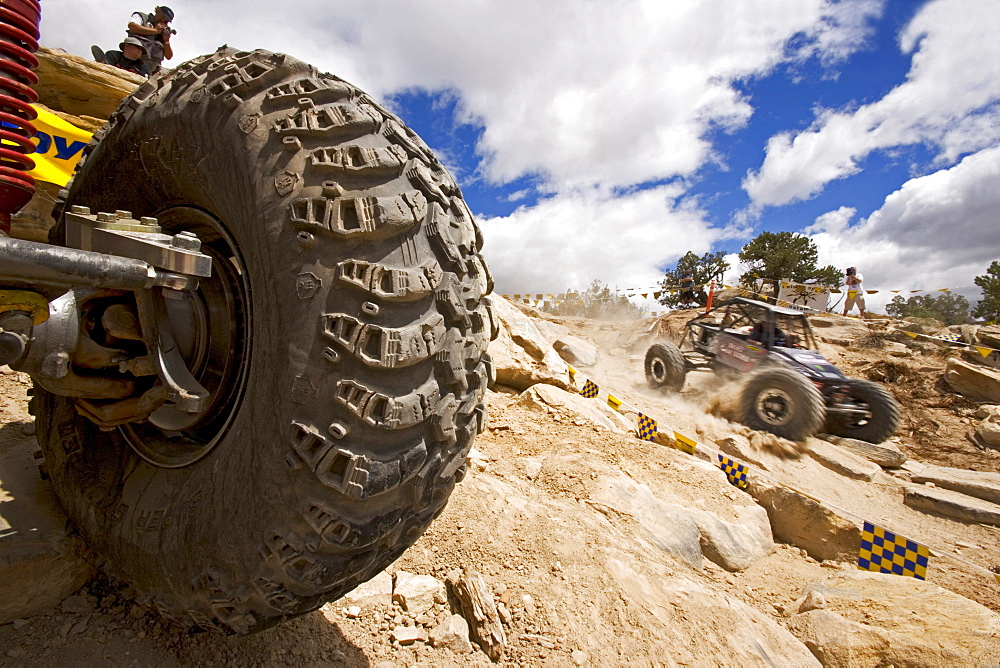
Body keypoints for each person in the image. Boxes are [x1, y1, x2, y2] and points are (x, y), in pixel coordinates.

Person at [126, 6, 175, 74]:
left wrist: (166, 41)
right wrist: (155, 31)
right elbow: (132, 27)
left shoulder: (163, 31)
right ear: (158, 11)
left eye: (166, 20)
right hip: (133, 61)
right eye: (163, 17)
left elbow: (169, 56)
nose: (163, 21)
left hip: (152, 69)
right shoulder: (142, 17)